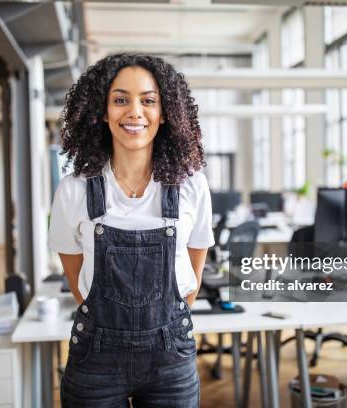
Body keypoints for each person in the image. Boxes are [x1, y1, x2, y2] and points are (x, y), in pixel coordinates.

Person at [48, 53, 215, 408]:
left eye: (148, 101)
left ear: (165, 112)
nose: (135, 111)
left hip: (171, 358)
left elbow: (193, 277)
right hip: (95, 358)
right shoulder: (73, 190)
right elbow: (80, 284)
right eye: (120, 99)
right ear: (102, 111)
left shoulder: (192, 186)